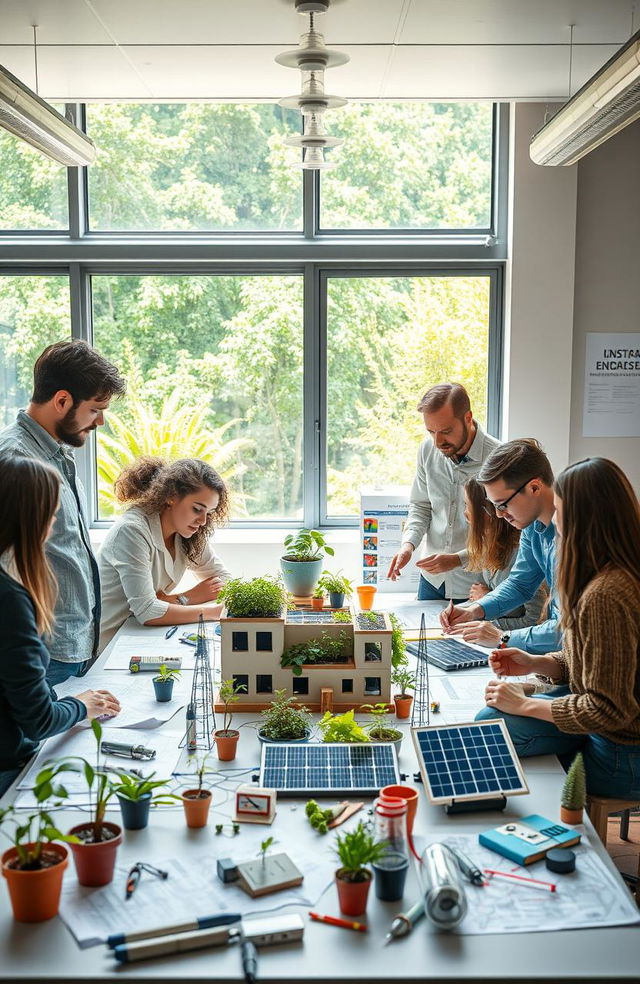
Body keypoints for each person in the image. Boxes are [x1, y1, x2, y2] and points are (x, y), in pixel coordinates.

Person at [475, 458, 640, 799]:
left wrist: (525, 705)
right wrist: (538, 664)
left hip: (622, 754)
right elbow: (600, 668)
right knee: (493, 718)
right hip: (610, 730)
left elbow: (607, 708)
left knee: (491, 730)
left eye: (561, 510)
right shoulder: (614, 573)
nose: (555, 521)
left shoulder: (606, 593)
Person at [0, 340, 126, 686]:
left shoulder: (59, 453)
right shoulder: (14, 460)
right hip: (43, 651)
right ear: (61, 401)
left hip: (74, 644)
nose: (100, 421)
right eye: (95, 409)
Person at [0, 456, 121, 798]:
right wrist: (84, 706)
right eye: (52, 514)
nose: (54, 524)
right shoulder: (10, 600)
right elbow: (37, 721)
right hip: (9, 770)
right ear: (32, 519)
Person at [441, 438, 561, 653]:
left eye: (503, 504)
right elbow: (520, 584)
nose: (498, 514)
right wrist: (475, 610)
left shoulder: (572, 541)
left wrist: (502, 637)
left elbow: (566, 630)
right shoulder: (532, 528)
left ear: (534, 487)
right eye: (494, 506)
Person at [99, 457, 232, 650]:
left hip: (142, 635)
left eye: (209, 513)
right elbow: (147, 611)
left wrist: (172, 601)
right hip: (109, 643)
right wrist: (205, 607)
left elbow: (225, 580)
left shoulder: (187, 533)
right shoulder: (132, 531)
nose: (203, 521)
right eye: (197, 509)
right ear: (171, 497)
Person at [387, 383, 501, 603]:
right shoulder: (427, 450)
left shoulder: (498, 457)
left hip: (476, 585)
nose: (438, 442)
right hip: (431, 581)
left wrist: (457, 559)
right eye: (431, 432)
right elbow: (421, 505)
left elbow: (505, 534)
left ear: (468, 418)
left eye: (446, 431)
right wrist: (408, 545)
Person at [464, 477, 546, 631]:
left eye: (467, 506)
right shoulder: (491, 547)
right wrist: (471, 610)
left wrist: (489, 624)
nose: (465, 513)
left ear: (486, 513)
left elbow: (536, 619)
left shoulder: (521, 551)